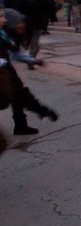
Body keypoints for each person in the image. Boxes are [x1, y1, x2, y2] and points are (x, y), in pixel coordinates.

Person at [0, 8, 58, 136]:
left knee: (17, 97)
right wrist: (3, 64)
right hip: (4, 71)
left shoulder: (6, 36)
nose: (3, 20)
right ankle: (42, 111)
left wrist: (34, 61)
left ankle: (21, 126)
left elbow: (16, 54)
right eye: (1, 18)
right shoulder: (4, 35)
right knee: (20, 94)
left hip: (6, 71)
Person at [15, 0, 50, 69]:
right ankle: (28, 57)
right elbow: (19, 12)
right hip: (26, 26)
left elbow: (46, 9)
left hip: (37, 25)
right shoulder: (22, 0)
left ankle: (30, 62)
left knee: (34, 44)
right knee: (26, 44)